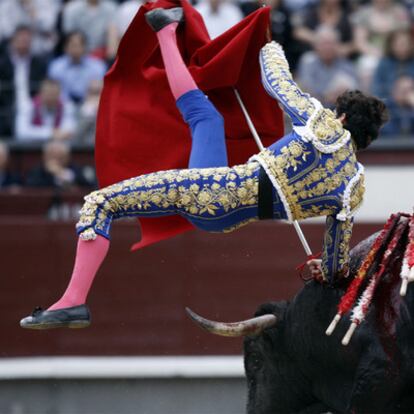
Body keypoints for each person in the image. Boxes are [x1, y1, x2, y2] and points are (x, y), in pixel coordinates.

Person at [20, 7, 388, 329]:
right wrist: (323, 268)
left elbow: (276, 81)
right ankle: (165, 32)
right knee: (204, 117)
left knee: (99, 203)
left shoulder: (324, 125)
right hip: (225, 219)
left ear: (340, 116)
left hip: (211, 192)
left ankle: (72, 302)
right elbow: (337, 263)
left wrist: (269, 43)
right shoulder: (353, 187)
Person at [0, 25, 48, 137]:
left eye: (27, 40)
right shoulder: (2, 63)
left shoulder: (40, 64)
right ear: (12, 41)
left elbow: (43, 88)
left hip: (34, 107)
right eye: (21, 40)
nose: (24, 43)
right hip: (7, 107)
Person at [296, 26, 358, 108]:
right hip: (312, 110)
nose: (327, 47)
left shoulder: (346, 64)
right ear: (316, 45)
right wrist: (327, 96)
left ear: (337, 45)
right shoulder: (308, 61)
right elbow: (306, 89)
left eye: (331, 43)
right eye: (324, 43)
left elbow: (355, 92)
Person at [48, 31, 107, 104]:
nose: (76, 49)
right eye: (73, 45)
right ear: (65, 48)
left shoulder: (98, 66)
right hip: (63, 107)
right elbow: (54, 92)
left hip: (90, 106)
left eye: (79, 45)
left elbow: (99, 92)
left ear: (85, 47)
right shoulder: (56, 66)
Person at [25, 140, 95, 188]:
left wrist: (62, 173)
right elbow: (30, 186)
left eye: (60, 157)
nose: (56, 161)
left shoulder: (76, 169)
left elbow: (88, 185)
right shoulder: (38, 171)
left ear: (67, 157)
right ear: (45, 157)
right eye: (52, 156)